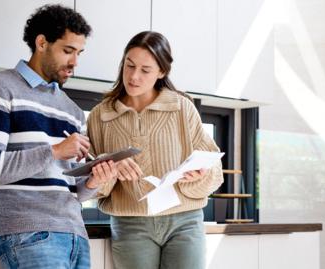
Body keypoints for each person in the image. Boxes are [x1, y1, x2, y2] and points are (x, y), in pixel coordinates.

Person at [0, 4, 117, 269]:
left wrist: (94, 180)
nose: (75, 63)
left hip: (75, 234)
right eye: (67, 51)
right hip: (29, 232)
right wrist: (55, 151)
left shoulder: (71, 110)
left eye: (79, 53)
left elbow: (70, 189)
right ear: (41, 43)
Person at [87, 31, 224, 269]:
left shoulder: (182, 108)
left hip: (185, 222)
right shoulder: (101, 115)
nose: (134, 76)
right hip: (131, 225)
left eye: (145, 70)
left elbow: (214, 172)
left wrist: (197, 176)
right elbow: (92, 187)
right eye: (129, 66)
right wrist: (108, 168)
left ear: (161, 72)